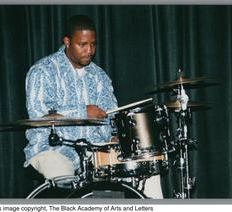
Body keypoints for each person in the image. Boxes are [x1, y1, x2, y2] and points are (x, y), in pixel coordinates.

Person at [24, 14, 163, 199]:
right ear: (67, 41)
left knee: (147, 165)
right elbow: (39, 116)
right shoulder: (43, 71)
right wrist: (83, 112)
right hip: (53, 150)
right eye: (82, 44)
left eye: (93, 44)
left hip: (95, 151)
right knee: (64, 175)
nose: (89, 50)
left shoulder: (99, 76)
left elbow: (111, 116)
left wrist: (115, 137)